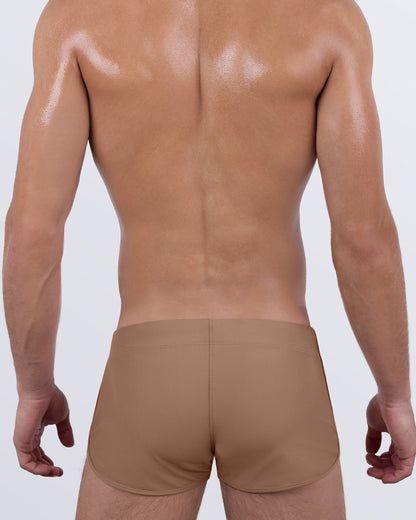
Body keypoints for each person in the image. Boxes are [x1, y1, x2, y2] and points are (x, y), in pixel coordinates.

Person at [3, 0, 416, 518]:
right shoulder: (328, 17)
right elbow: (364, 241)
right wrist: (394, 395)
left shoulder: (76, 18)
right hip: (276, 370)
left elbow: (32, 234)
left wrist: (34, 387)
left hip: (148, 369)